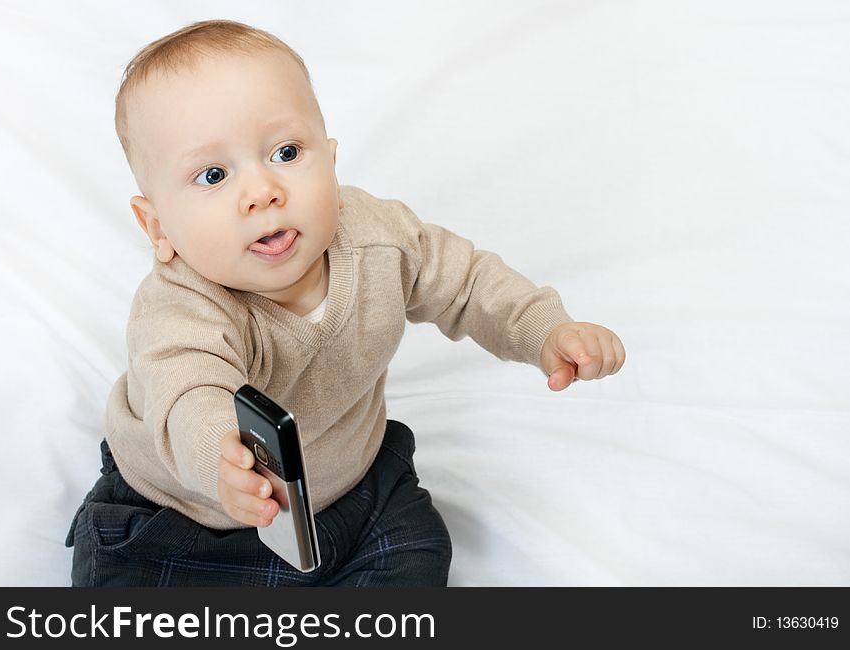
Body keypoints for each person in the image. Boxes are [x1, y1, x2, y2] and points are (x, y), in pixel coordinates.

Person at [65, 19, 625, 587]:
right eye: (213, 175)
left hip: (352, 489)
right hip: (189, 515)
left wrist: (545, 330)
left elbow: (467, 282)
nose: (262, 192)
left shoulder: (377, 238)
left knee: (417, 552)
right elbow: (187, 394)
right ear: (157, 226)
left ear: (331, 162)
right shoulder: (180, 306)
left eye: (286, 152)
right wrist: (221, 458)